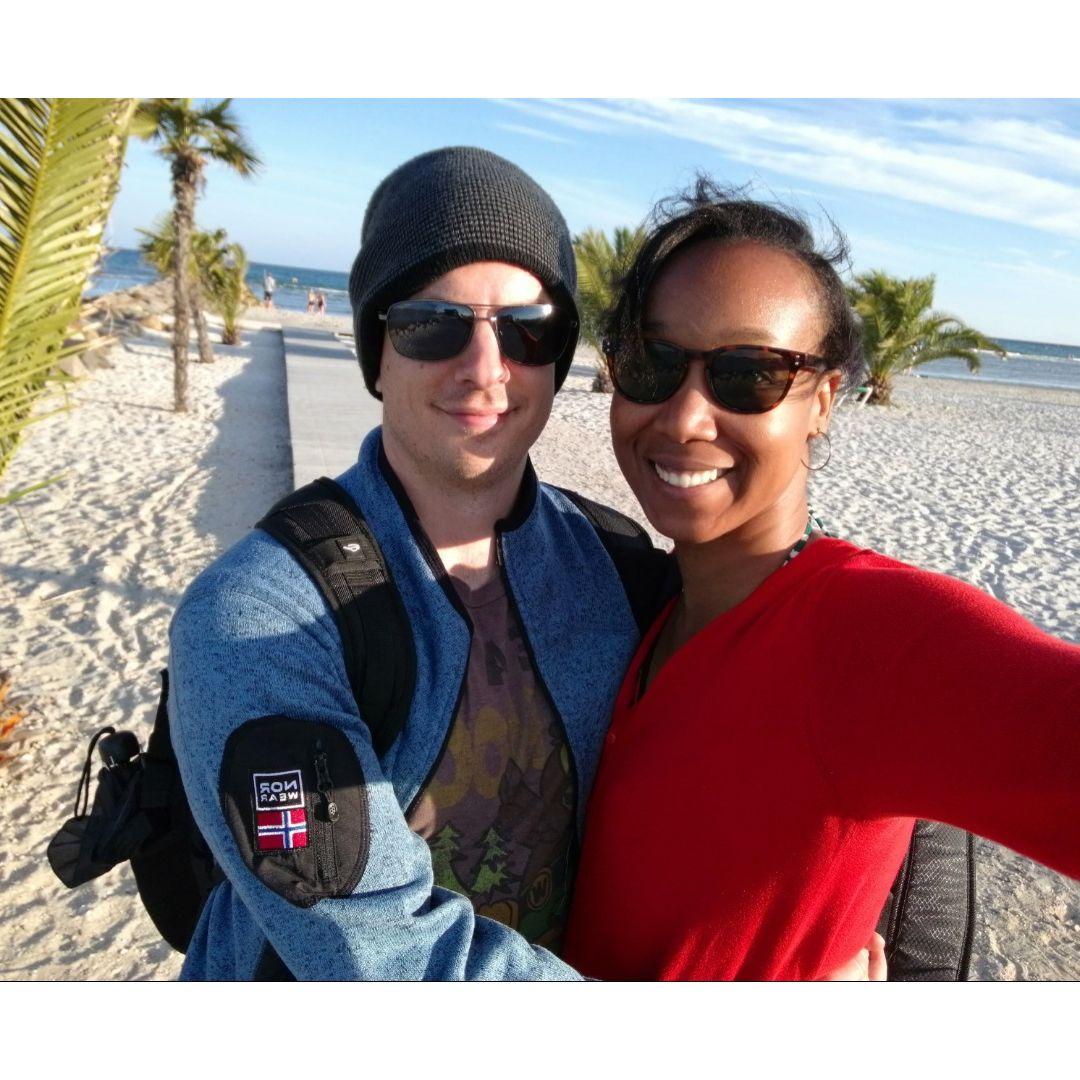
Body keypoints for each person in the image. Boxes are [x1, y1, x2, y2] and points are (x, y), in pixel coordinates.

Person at [167, 149, 881, 981]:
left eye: (527, 329)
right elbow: (382, 957)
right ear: (377, 351)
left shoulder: (617, 566)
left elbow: (803, 667)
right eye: (433, 325)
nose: (484, 369)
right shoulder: (260, 617)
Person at [560, 179, 1080, 981]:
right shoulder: (648, 610)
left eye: (749, 374)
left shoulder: (874, 634)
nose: (685, 417)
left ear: (824, 400)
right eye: (653, 362)